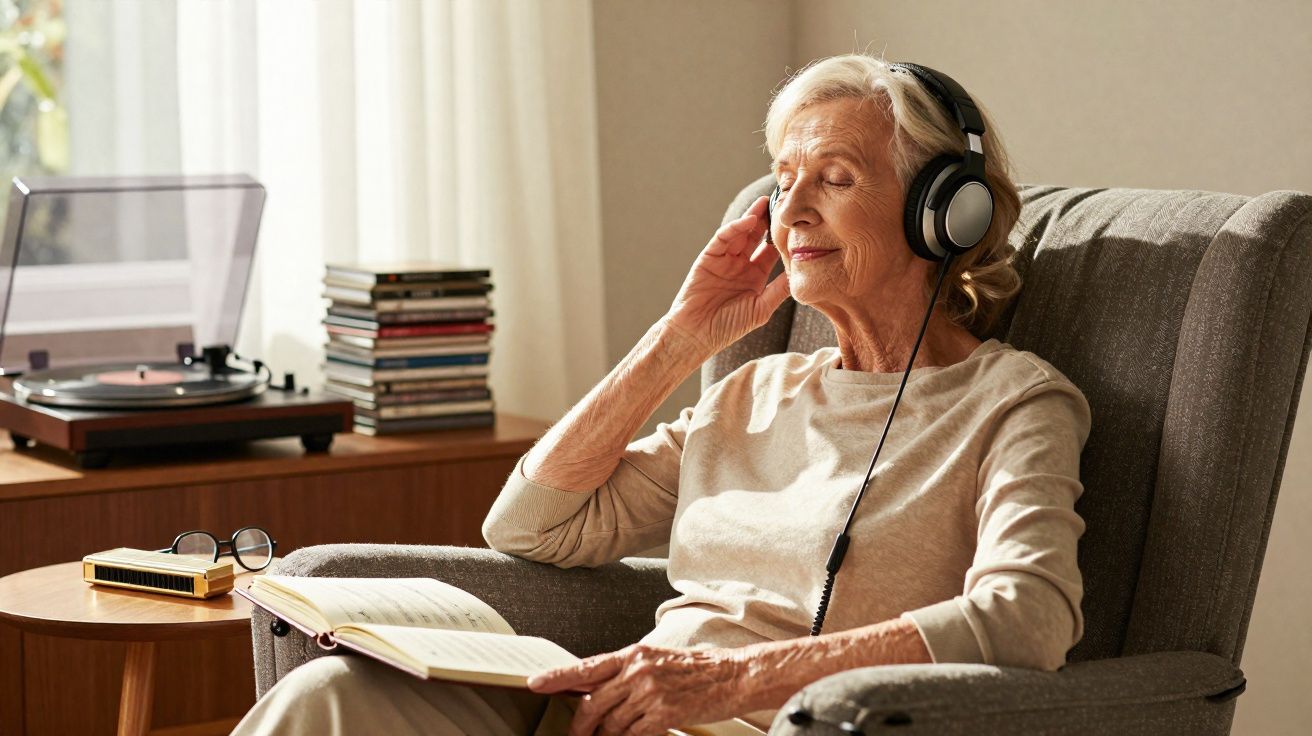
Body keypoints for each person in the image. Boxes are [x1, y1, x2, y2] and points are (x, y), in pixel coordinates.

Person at [231, 53, 1090, 736]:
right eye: (783, 179)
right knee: (329, 701)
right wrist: (684, 335)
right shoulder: (752, 393)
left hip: (765, 724)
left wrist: (727, 682)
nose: (790, 210)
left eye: (833, 177)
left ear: (945, 213)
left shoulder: (1012, 404)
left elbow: (1028, 618)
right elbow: (532, 525)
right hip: (614, 716)